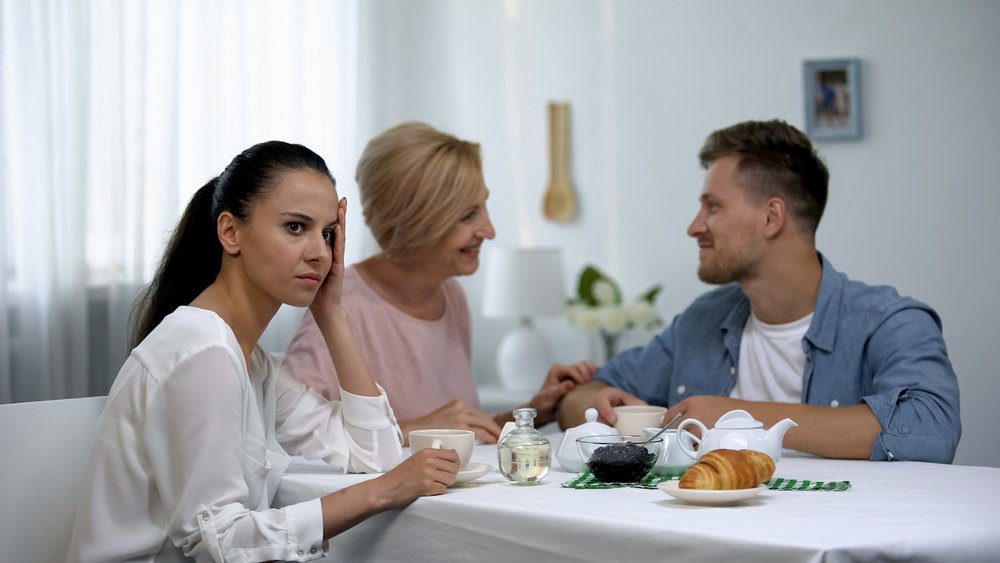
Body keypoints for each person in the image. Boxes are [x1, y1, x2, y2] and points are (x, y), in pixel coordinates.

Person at [67, 141, 459, 563]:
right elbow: (221, 540)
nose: (319, 253)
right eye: (295, 227)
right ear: (230, 232)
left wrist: (331, 313)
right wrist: (382, 493)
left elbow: (375, 453)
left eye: (327, 234)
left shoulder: (251, 361)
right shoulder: (203, 352)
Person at [558, 119, 961, 463]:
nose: (695, 226)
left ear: (771, 217)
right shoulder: (703, 321)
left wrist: (737, 416)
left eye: (713, 207)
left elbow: (931, 427)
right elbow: (580, 398)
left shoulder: (890, 322)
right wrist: (603, 407)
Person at [284, 122, 595, 444]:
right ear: (416, 221)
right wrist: (420, 428)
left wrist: (532, 412)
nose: (489, 230)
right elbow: (290, 438)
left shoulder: (450, 295)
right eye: (468, 215)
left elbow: (456, 431)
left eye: (483, 207)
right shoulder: (339, 306)